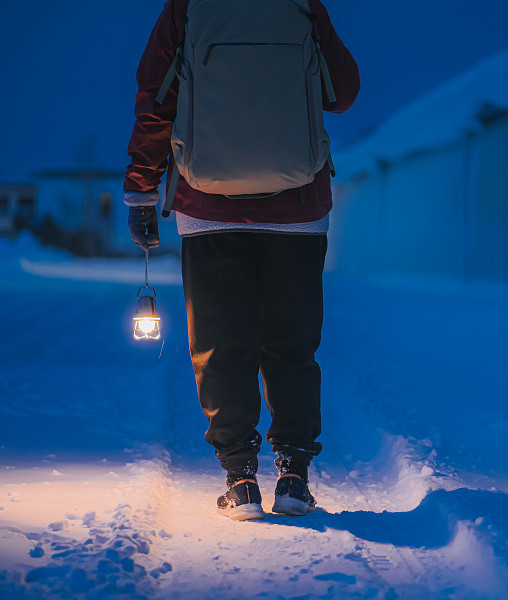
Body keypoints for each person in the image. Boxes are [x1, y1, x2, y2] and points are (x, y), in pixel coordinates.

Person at [124, 0, 360, 520]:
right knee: (291, 343)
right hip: (298, 206)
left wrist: (141, 189)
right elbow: (343, 94)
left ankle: (241, 480)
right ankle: (294, 477)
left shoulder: (188, 6)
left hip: (207, 206)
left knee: (220, 343)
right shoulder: (301, 4)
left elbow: (154, 100)